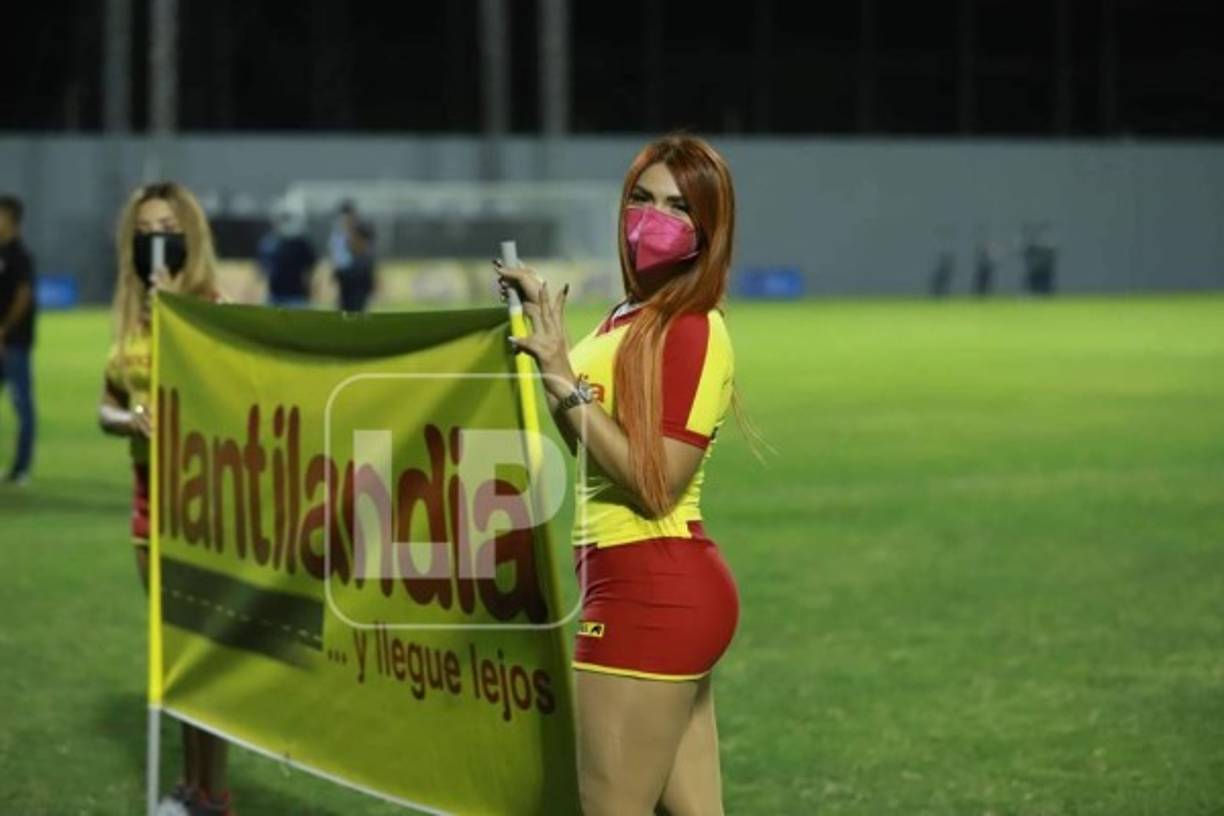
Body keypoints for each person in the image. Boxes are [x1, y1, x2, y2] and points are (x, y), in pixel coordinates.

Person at [496, 134, 742, 815]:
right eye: (641, 198)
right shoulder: (631, 315)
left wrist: (563, 380)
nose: (651, 216)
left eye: (676, 206)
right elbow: (584, 436)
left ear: (707, 230)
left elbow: (654, 480)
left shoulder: (690, 326)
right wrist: (550, 344)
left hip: (649, 589)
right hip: (644, 583)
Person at [96, 182, 235, 816]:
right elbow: (109, 402)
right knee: (170, 651)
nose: (158, 239)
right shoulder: (130, 309)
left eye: (168, 227)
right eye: (147, 228)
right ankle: (188, 786)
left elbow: (232, 396)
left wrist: (180, 313)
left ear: (191, 234)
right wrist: (127, 422)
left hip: (204, 508)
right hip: (148, 503)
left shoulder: (211, 304)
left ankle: (215, 791)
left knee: (201, 653)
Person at [0, 194, 37, 484]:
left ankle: (21, 469)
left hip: (15, 343)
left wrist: (5, 329)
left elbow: (24, 297)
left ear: (12, 220)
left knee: (22, 406)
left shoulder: (20, 256)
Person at [257, 206, 317, 307]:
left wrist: (309, 288)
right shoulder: (270, 241)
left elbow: (310, 268)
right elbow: (263, 264)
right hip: (275, 293)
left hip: (296, 295)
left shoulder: (301, 243)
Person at [328, 200, 376, 312]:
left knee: (357, 305)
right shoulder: (338, 234)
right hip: (346, 274)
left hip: (356, 273)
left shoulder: (360, 230)